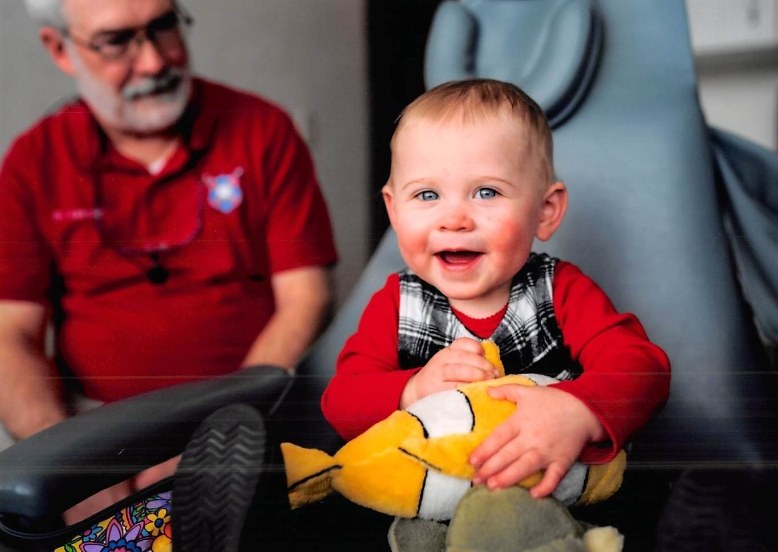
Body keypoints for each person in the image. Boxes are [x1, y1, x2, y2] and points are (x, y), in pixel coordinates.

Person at [0, 0, 337, 516]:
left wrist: (214, 437)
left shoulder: (264, 130)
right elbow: (10, 335)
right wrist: (70, 466)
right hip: (88, 427)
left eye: (164, 27)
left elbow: (306, 299)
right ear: (60, 49)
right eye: (117, 41)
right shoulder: (33, 162)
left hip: (245, 412)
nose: (155, 61)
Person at [321, 79, 670, 499]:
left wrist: (579, 408)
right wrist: (412, 389)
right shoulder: (397, 303)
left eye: (486, 192)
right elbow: (341, 401)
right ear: (394, 211)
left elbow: (642, 368)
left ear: (545, 211)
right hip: (435, 489)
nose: (454, 219)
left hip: (544, 490)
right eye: (427, 194)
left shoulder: (560, 290)